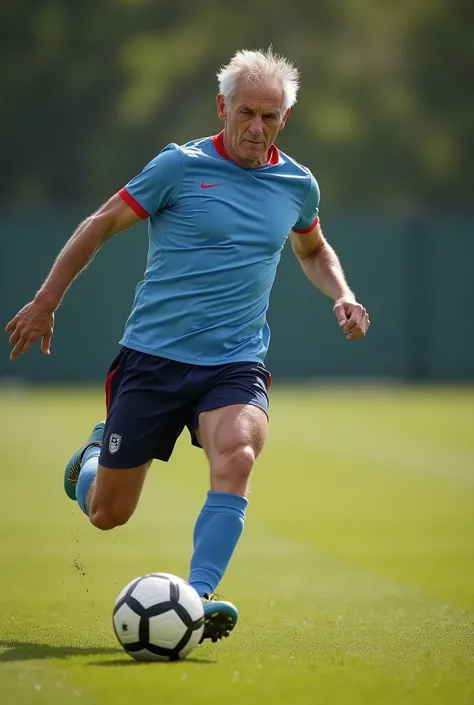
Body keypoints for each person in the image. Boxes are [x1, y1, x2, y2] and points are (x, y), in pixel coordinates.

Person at [5, 48, 370, 643]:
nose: (256, 127)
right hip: (152, 359)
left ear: (285, 120)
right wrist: (47, 301)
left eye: (270, 117)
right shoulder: (178, 166)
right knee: (109, 514)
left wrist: (342, 293)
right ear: (221, 107)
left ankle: (198, 599)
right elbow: (99, 223)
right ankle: (89, 466)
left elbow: (312, 249)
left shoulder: (297, 184)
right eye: (246, 112)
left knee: (239, 456)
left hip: (234, 362)